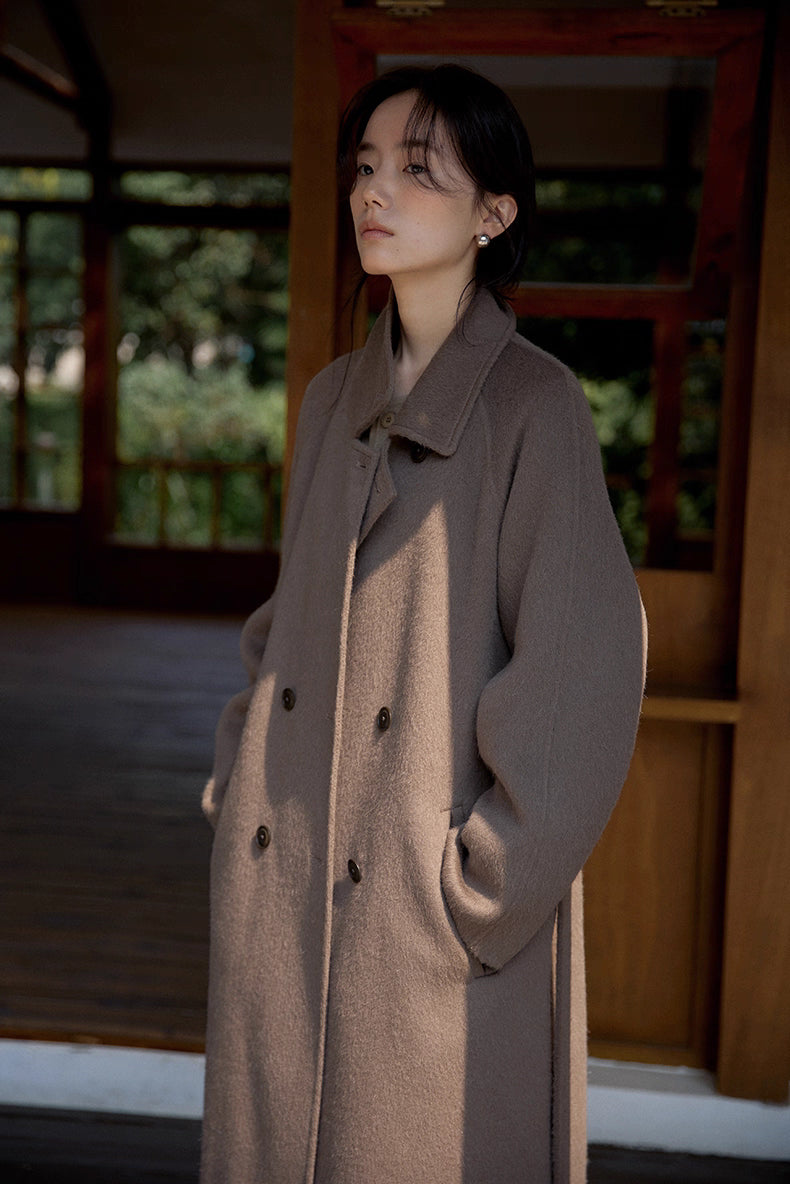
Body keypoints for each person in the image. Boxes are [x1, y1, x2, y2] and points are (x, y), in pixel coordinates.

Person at [200, 64, 646, 1184]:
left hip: (426, 925)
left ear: (494, 214)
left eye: (416, 168)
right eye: (363, 166)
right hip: (285, 883)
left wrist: (475, 893)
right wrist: (235, 780)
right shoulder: (329, 399)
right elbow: (281, 629)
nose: (373, 193)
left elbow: (582, 677)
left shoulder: (533, 407)